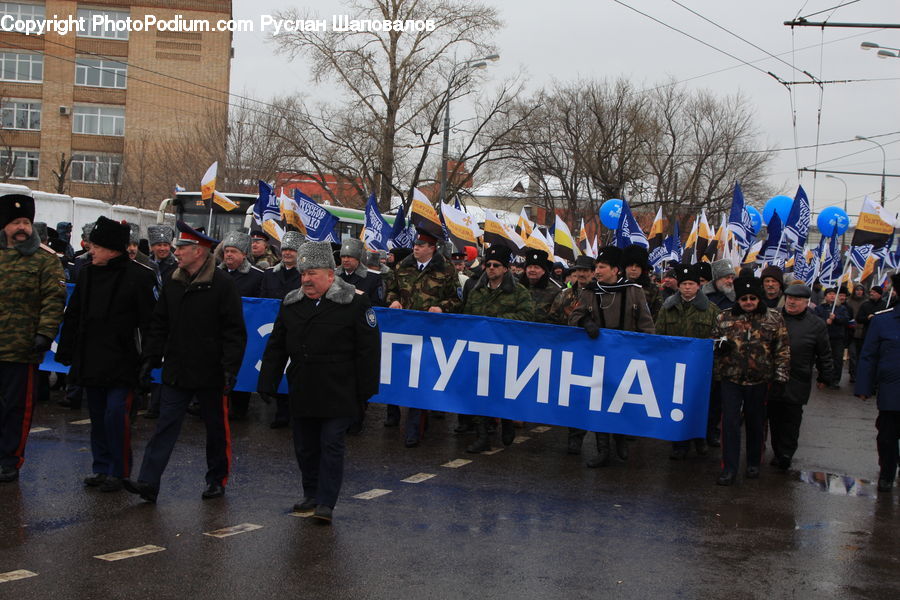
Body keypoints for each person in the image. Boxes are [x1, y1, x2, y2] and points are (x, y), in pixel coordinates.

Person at [123, 221, 246, 503]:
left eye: (182, 248)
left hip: (211, 372)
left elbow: (234, 331)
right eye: (177, 248)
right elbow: (159, 323)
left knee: (216, 430)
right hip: (177, 369)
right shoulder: (174, 281)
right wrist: (150, 358)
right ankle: (148, 482)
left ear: (199, 251)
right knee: (164, 427)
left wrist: (230, 369)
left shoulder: (223, 285)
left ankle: (217, 479)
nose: (176, 252)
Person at [258, 242, 380, 523]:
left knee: (331, 444)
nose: (306, 279)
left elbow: (368, 351)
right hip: (303, 387)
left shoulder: (355, 302)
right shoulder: (291, 303)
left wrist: (365, 393)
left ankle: (326, 502)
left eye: (311, 273)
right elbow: (277, 345)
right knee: (305, 446)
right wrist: (267, 381)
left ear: (329, 273)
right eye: (302, 274)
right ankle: (311, 494)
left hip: (340, 389)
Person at [56, 217, 158, 492]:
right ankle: (101, 467)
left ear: (113, 249)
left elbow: (150, 322)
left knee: (116, 415)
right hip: (91, 358)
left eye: (97, 247)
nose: (91, 251)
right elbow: (74, 314)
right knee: (98, 416)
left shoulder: (140, 276)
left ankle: (119, 470)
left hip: (123, 361)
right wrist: (66, 350)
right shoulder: (87, 273)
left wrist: (149, 358)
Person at [0, 194, 66, 483]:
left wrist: (43, 334)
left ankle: (10, 459)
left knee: (16, 407)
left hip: (21, 347)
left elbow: (53, 300)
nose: (21, 227)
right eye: (15, 222)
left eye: (25, 221)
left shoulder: (44, 260)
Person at [569, 246, 655, 467]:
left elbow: (646, 324)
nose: (596, 271)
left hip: (626, 356)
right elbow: (574, 317)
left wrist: (645, 351)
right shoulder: (589, 291)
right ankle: (603, 448)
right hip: (598, 357)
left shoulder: (634, 291)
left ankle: (620, 439)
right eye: (596, 267)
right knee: (599, 401)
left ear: (615, 270)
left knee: (622, 400)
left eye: (601, 267)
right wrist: (585, 322)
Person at [712, 276, 790, 486]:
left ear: (759, 298)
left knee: (756, 422)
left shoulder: (773, 318)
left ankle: (754, 462)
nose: (748, 302)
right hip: (731, 378)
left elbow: (782, 349)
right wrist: (718, 348)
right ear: (738, 299)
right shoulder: (724, 317)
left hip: (760, 380)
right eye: (744, 298)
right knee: (729, 424)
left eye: (752, 298)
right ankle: (729, 468)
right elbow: (712, 343)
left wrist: (781, 376)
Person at [385, 230, 460, 446]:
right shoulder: (402, 266)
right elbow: (391, 291)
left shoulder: (446, 269)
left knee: (421, 379)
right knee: (400, 376)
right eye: (415, 244)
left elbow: (456, 299)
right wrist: (393, 301)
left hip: (431, 334)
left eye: (421, 245)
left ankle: (414, 428)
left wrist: (442, 307)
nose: (416, 248)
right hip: (404, 331)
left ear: (432, 248)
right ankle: (397, 417)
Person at [461, 245, 535, 453]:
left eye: (496, 265)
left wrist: (497, 322)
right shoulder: (477, 290)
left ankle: (508, 421)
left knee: (503, 391)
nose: (491, 268)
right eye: (488, 265)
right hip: (480, 350)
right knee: (479, 392)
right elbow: (467, 316)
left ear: (506, 269)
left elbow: (527, 317)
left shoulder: (519, 292)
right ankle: (482, 435)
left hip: (507, 352)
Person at [654, 263, 720, 460]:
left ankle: (700, 438)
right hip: (675, 369)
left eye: (691, 283)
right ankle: (679, 443)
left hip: (701, 369)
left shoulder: (711, 310)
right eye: (684, 284)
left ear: (698, 286)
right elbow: (659, 336)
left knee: (700, 406)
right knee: (677, 406)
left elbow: (717, 338)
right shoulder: (668, 308)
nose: (687, 288)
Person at [768, 283, 833, 471]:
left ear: (806, 302)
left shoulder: (816, 324)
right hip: (772, 377)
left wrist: (825, 376)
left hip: (798, 378)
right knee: (775, 417)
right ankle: (778, 450)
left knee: (792, 418)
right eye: (789, 298)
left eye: (796, 299)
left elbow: (824, 353)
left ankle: (786, 453)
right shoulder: (773, 316)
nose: (791, 302)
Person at [855, 272, 900, 493]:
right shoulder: (883, 321)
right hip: (891, 391)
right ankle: (887, 472)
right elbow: (869, 356)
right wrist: (864, 386)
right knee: (887, 437)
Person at [814, 287, 850, 389]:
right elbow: (816, 320)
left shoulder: (841, 308)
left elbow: (846, 320)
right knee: (822, 359)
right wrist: (825, 321)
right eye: (830, 294)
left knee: (837, 360)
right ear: (825, 296)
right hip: (824, 338)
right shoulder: (819, 308)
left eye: (834, 294)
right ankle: (823, 379)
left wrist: (836, 318)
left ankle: (835, 380)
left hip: (837, 338)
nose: (832, 296)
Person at [337, 238, 384, 307]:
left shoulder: (373, 277)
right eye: (343, 257)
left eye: (349, 257)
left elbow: (376, 304)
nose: (345, 260)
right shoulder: (333, 275)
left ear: (357, 258)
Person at [519, 249, 561, 324]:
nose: (532, 270)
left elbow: (556, 318)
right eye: (530, 267)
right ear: (525, 270)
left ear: (544, 271)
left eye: (536, 267)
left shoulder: (555, 291)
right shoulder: (518, 288)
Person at [623, 244, 662, 319]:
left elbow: (657, 316)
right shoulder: (616, 285)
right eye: (630, 265)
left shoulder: (652, 289)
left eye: (637, 266)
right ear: (625, 266)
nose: (634, 269)